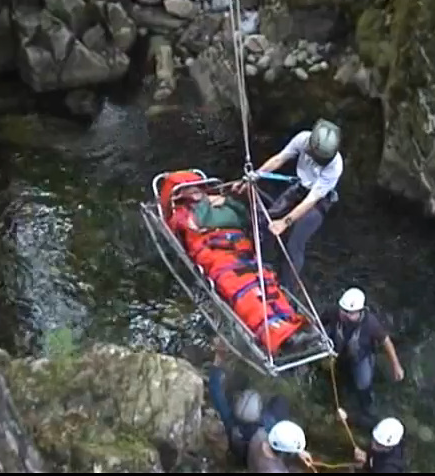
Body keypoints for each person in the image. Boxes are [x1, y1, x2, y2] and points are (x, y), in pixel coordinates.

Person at [162, 170, 318, 353]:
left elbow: (244, 216)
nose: (195, 190)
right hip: (217, 255)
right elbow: (199, 224)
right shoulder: (183, 213)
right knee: (243, 289)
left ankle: (292, 323)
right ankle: (276, 334)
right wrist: (204, 202)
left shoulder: (221, 203)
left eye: (197, 186)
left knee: (266, 281)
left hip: (240, 249)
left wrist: (226, 201)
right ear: (180, 195)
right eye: (189, 189)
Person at [232, 118, 344, 293]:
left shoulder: (334, 166)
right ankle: (264, 262)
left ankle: (287, 288)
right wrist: (255, 176)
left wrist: (285, 222)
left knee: (295, 243)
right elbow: (279, 159)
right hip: (301, 187)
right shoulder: (303, 139)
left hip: (319, 202)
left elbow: (311, 200)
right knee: (265, 220)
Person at [322, 287, 405, 428]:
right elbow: (318, 323)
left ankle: (366, 411)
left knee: (363, 385)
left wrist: (396, 365)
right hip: (339, 353)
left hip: (361, 358)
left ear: (360, 311)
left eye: (349, 312)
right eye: (343, 310)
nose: (344, 314)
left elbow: (386, 341)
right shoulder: (333, 312)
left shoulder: (371, 323)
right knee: (335, 378)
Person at [207, 337, 292, 467]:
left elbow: (215, 390)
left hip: (241, 458)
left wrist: (218, 360)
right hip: (256, 458)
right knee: (280, 401)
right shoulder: (267, 425)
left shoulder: (230, 421)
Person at [338, 409, 406, 473]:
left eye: (378, 444)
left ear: (389, 447)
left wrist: (366, 463)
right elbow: (363, 422)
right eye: (374, 439)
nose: (373, 445)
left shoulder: (389, 468)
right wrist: (347, 417)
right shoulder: (380, 430)